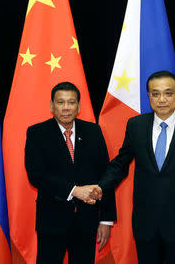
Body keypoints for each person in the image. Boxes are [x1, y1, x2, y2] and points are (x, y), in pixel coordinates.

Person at [93, 71, 175, 264]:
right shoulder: (136, 125)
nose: (162, 99)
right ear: (148, 96)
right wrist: (101, 187)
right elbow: (121, 164)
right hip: (146, 224)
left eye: (168, 93)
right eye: (155, 94)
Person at [25, 82, 116, 264]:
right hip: (51, 221)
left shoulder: (93, 131)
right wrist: (74, 190)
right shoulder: (37, 133)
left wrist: (106, 219)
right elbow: (36, 175)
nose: (66, 108)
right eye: (60, 102)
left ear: (79, 106)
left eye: (71, 102)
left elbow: (106, 175)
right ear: (52, 105)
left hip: (87, 222)